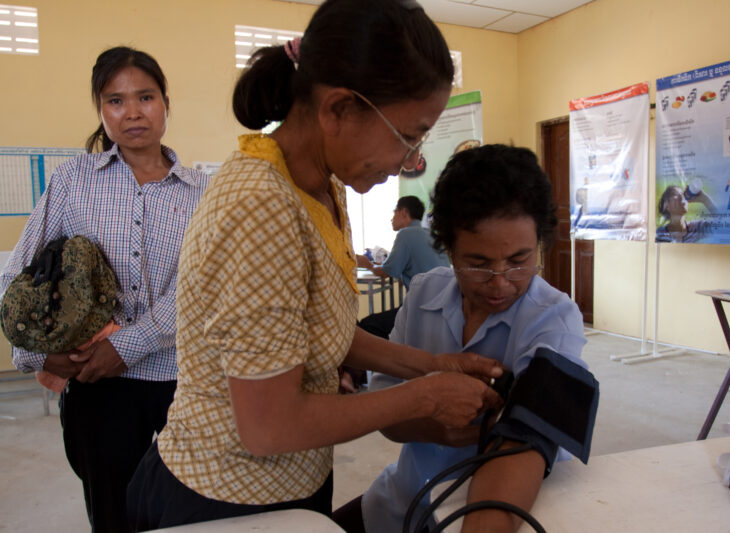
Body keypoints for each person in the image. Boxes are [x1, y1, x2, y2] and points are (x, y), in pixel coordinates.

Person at [126, 1, 502, 530]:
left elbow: (321, 332)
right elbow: (269, 426)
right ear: (338, 110)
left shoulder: (322, 186)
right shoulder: (262, 206)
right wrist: (425, 397)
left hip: (294, 483)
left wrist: (433, 365)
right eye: (409, 137)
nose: (408, 162)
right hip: (224, 498)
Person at [0, 46, 209, 533]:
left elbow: (200, 289)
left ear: (165, 103)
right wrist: (33, 353)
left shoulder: (202, 193)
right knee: (112, 513)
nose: (132, 112)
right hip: (97, 385)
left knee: (191, 513)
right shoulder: (73, 181)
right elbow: (19, 276)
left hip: (187, 383)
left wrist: (126, 345)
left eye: (145, 97)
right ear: (101, 110)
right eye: (115, 100)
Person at [333, 144, 588, 533]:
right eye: (479, 264)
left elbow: (525, 443)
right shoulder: (423, 294)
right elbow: (387, 414)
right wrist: (433, 424)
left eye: (520, 261)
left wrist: (413, 408)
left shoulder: (554, 319)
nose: (500, 283)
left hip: (489, 512)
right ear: (448, 250)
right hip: (405, 499)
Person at [356, 195, 450, 338]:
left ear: (404, 212)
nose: (391, 218)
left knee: (367, 325)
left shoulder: (405, 234)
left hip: (422, 310)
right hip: (444, 308)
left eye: (394, 212)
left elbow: (386, 272)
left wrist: (366, 264)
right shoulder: (430, 234)